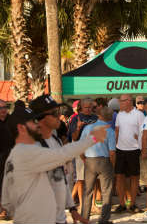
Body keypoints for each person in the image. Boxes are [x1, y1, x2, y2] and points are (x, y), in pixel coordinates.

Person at [1, 100, 108, 224]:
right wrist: (92, 138)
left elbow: (61, 177)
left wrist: (72, 208)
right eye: (32, 121)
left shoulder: (53, 140)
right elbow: (61, 155)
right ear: (21, 128)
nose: (58, 116)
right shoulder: (25, 152)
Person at [30, 95, 87, 224]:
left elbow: (62, 180)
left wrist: (72, 209)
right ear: (40, 118)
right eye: (55, 113)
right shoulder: (32, 147)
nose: (59, 116)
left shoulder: (56, 141)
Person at [81, 106, 116, 224]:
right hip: (104, 161)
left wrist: (84, 159)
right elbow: (112, 152)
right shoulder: (110, 131)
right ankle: (104, 219)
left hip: (90, 161)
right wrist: (113, 165)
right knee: (107, 190)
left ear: (99, 116)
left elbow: (81, 147)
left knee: (88, 191)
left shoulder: (87, 128)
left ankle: (84, 218)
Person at [114, 94, 144, 213]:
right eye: (120, 101)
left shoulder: (139, 115)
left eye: (122, 101)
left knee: (134, 177)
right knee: (119, 177)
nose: (120, 103)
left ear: (129, 101)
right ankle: (121, 204)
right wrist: (114, 148)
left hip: (134, 150)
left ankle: (132, 204)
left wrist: (141, 145)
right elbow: (117, 131)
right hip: (120, 150)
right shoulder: (119, 115)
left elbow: (144, 131)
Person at [68, 98, 98, 209]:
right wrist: (78, 127)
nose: (89, 109)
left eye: (91, 107)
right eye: (86, 107)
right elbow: (74, 138)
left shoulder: (96, 118)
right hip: (80, 150)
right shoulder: (76, 118)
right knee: (81, 179)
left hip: (94, 150)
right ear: (81, 107)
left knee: (94, 178)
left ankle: (93, 204)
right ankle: (81, 203)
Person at [0, 100, 14, 220]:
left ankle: (6, 209)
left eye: (5, 107)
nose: (3, 110)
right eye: (0, 108)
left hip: (10, 158)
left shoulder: (11, 121)